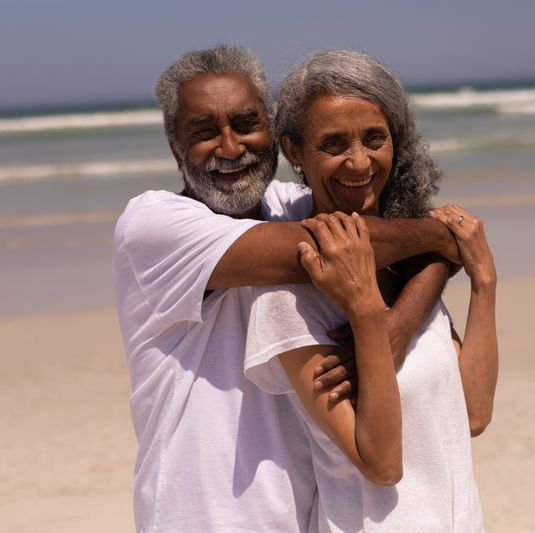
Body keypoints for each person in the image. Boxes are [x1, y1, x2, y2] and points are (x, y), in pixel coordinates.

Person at [112, 45, 462, 532]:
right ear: (175, 147)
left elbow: (415, 248)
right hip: (199, 515)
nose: (231, 147)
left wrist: (397, 327)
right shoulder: (153, 224)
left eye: (246, 123)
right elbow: (343, 247)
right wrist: (443, 236)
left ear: (278, 136)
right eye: (204, 132)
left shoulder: (294, 204)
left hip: (312, 514)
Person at [244, 50, 499, 532]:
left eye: (374, 138)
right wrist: (365, 314)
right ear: (295, 151)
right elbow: (381, 464)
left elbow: (472, 415)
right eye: (333, 143)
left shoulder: (413, 269)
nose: (358, 161)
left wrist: (483, 283)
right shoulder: (284, 302)